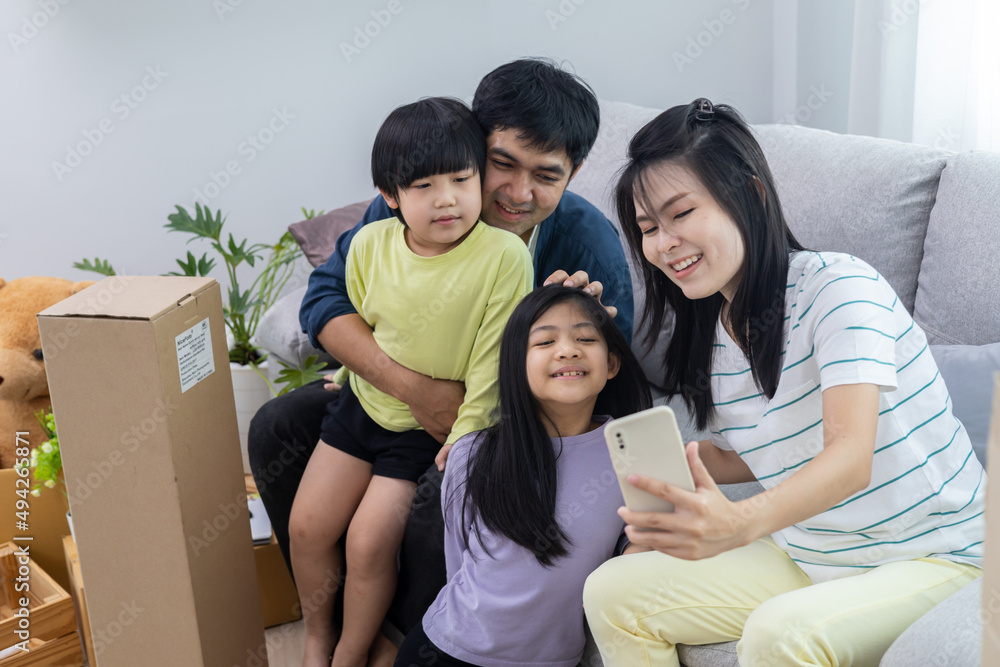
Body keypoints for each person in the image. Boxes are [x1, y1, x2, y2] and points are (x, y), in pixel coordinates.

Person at [581, 99, 984, 666]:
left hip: (934, 556)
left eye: (681, 213)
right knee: (611, 590)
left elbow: (851, 456)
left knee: (780, 633)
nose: (663, 243)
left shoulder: (841, 289)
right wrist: (686, 472)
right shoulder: (717, 332)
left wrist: (738, 523)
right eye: (648, 228)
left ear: (751, 193)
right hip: (813, 551)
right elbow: (783, 441)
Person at [249, 58, 633, 636]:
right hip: (395, 398)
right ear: (474, 146)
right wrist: (407, 386)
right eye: (501, 164)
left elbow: (616, 391)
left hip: (508, 423)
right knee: (277, 424)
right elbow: (323, 301)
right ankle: (332, 614)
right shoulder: (419, 205)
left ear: (573, 173)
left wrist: (569, 338)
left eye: (546, 175)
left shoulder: (587, 247)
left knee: (437, 492)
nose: (518, 192)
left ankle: (405, 638)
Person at [290, 97, 533, 667]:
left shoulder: (502, 255)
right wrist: (348, 371)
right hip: (362, 409)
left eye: (460, 178)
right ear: (391, 197)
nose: (446, 198)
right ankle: (316, 637)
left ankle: (350, 655)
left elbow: (493, 365)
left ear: (479, 178)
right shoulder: (370, 244)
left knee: (368, 543)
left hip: (427, 433)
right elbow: (374, 319)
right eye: (423, 186)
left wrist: (462, 438)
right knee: (307, 526)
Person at [394, 285, 652, 666]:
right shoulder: (473, 452)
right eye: (545, 341)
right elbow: (457, 560)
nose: (567, 350)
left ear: (612, 364)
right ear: (516, 364)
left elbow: (636, 555)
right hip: (446, 649)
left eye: (585, 338)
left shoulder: (633, 454)